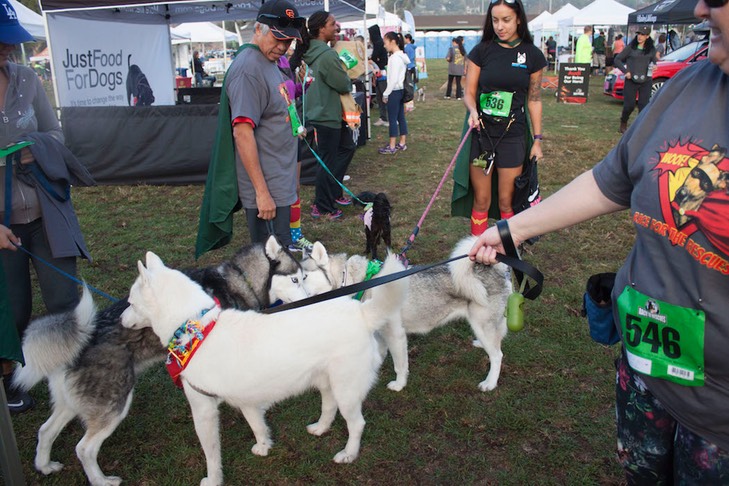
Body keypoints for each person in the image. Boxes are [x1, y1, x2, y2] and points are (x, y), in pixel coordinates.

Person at [470, 1, 729, 482]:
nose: (699, 8)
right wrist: (510, 231)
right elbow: (610, 180)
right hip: (647, 373)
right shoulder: (687, 85)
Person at [1, 0, 95, 414]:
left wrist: (32, 149)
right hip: (2, 224)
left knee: (63, 298)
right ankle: (10, 380)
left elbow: (54, 132)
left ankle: (73, 373)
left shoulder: (26, 78)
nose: (8, 50)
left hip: (45, 212)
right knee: (12, 306)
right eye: (1, 42)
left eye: (10, 42)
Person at [210, 0, 303, 248]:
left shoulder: (269, 61)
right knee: (273, 262)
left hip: (280, 182)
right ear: (259, 28)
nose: (283, 46)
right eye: (278, 38)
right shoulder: (248, 70)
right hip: (267, 191)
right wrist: (262, 193)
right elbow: (242, 134)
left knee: (282, 256)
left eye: (289, 41)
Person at [452, 0, 546, 236]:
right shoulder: (481, 51)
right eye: (495, 20)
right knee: (481, 200)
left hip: (513, 135)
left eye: (506, 20)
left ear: (518, 20)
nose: (500, 26)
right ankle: (476, 251)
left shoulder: (532, 55)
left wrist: (537, 139)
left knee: (506, 201)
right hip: (482, 135)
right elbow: (469, 93)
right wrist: (473, 111)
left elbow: (534, 99)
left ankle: (507, 252)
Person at [297, 10, 356, 220]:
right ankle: (322, 205)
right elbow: (342, 83)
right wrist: (346, 75)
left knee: (346, 147)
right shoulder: (326, 55)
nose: (336, 27)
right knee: (327, 160)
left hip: (325, 111)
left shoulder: (311, 52)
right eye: (332, 24)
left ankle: (333, 192)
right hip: (326, 114)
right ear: (322, 29)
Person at [613, 26, 659, 134]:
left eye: (643, 35)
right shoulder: (631, 47)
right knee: (629, 105)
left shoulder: (651, 49)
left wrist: (655, 65)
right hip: (631, 80)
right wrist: (625, 71)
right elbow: (617, 59)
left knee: (643, 105)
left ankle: (639, 127)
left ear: (647, 36)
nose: (640, 36)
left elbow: (654, 61)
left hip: (645, 80)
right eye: (639, 34)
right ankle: (623, 122)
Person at [378, 32, 409, 155]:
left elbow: (394, 79)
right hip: (400, 90)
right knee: (400, 117)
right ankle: (402, 143)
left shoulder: (395, 58)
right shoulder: (401, 56)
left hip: (394, 91)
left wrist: (386, 93)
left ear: (392, 42)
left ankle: (392, 146)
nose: (384, 46)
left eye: (385, 43)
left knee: (392, 119)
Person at [369, 25, 389, 127]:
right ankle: (383, 117)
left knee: (383, 96)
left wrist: (372, 59)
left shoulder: (379, 44)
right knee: (380, 96)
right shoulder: (380, 43)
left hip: (381, 73)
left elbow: (373, 57)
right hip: (379, 73)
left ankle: (387, 118)